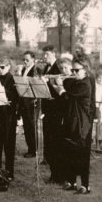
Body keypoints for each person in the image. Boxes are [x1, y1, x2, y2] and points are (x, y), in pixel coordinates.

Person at [54, 59, 93, 194]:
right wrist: (60, 81)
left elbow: (69, 96)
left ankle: (85, 185)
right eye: (73, 70)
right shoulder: (75, 81)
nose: (73, 73)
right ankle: (72, 182)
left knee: (81, 154)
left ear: (85, 70)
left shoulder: (85, 84)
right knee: (70, 152)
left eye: (77, 70)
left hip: (82, 123)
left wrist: (61, 89)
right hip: (72, 121)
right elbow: (68, 87)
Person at [0, 59, 18, 180]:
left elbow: (14, 96)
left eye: (2, 67)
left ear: (8, 67)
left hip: (9, 116)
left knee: (9, 145)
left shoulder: (12, 79)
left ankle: (9, 172)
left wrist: (1, 87)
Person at [41, 45, 63, 182]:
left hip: (56, 111)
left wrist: (47, 83)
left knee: (55, 143)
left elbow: (59, 91)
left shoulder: (58, 69)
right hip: (48, 111)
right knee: (48, 142)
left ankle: (57, 175)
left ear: (54, 54)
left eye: (47, 54)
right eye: (44, 55)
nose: (45, 57)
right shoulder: (46, 68)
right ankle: (53, 172)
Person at [18, 50, 38, 158]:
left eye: (27, 60)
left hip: (32, 102)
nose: (25, 62)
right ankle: (30, 148)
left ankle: (33, 150)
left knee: (31, 126)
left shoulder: (36, 69)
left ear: (33, 59)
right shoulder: (24, 70)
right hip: (24, 101)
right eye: (24, 60)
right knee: (26, 126)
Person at [94, 69, 102, 151]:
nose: (101, 80)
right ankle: (97, 144)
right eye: (99, 78)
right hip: (96, 106)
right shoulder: (94, 85)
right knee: (98, 124)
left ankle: (100, 144)